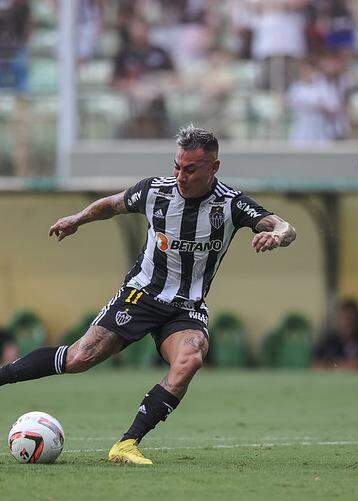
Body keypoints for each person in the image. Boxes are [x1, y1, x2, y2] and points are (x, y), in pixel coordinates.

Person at [0, 126, 297, 465]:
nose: (180, 175)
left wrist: (277, 236)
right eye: (176, 166)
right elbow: (111, 205)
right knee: (79, 358)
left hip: (187, 307)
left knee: (191, 359)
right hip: (141, 296)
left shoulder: (232, 204)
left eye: (190, 169)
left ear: (214, 167)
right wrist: (77, 219)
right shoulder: (156, 191)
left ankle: (127, 443)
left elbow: (286, 226)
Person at [313, 299, 358, 370]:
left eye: (351, 318)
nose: (348, 322)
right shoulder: (328, 341)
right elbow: (315, 366)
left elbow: (357, 367)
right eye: (344, 317)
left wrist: (331, 365)